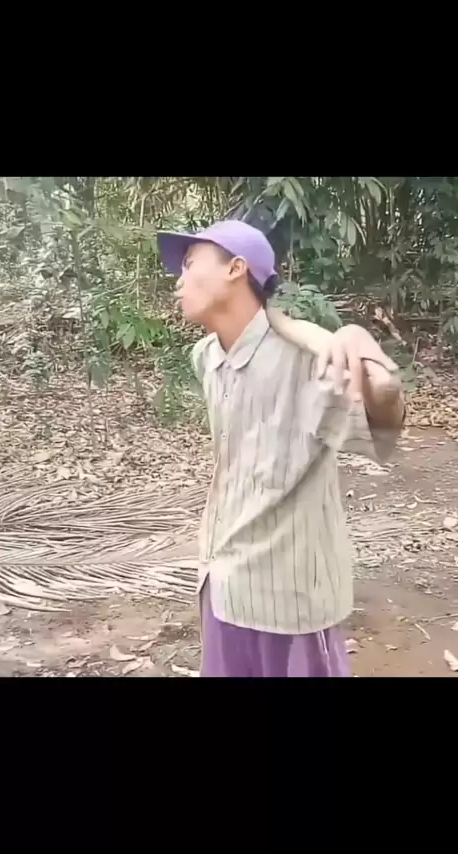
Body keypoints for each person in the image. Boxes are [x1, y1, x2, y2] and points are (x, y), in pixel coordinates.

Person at [157, 220, 405, 677]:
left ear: (236, 268)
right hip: (222, 583)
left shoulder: (309, 359)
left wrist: (368, 358)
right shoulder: (206, 358)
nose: (178, 279)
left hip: (288, 599)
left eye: (190, 263)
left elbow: (385, 427)